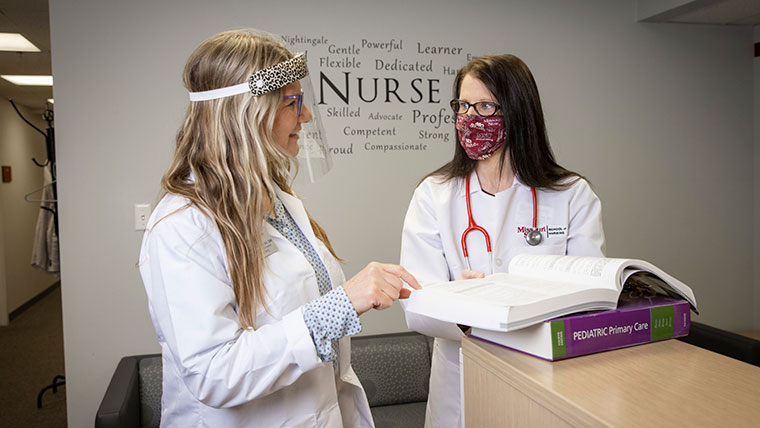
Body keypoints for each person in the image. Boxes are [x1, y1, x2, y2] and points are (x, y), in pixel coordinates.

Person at [138, 29, 420, 428]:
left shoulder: (277, 201)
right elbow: (213, 372)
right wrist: (340, 305)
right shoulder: (184, 224)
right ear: (247, 114)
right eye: (293, 102)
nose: (305, 116)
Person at [400, 54, 605, 428]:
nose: (469, 117)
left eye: (484, 106)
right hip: (460, 377)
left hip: (545, 373)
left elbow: (592, 298)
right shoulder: (434, 194)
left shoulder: (572, 194)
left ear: (517, 112)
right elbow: (416, 304)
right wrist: (459, 304)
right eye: (462, 106)